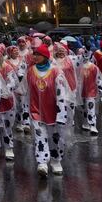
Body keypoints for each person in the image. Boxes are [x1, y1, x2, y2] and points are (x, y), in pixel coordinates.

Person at [25, 43, 74, 174]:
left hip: (54, 112)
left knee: (55, 138)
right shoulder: (30, 71)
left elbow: (61, 94)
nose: (35, 57)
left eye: (38, 54)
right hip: (36, 111)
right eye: (34, 54)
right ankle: (42, 162)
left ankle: (56, 160)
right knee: (39, 137)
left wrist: (61, 114)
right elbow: (27, 91)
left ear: (45, 56)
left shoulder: (56, 71)